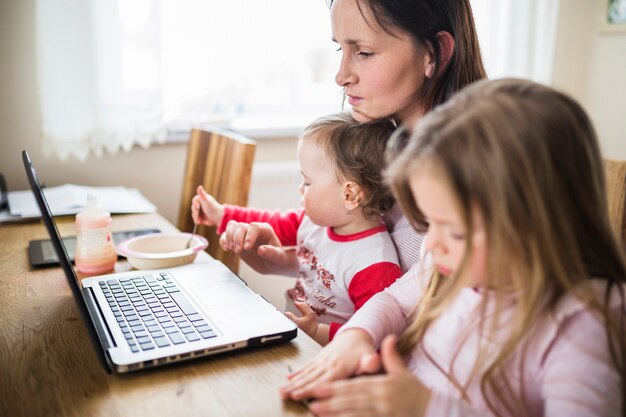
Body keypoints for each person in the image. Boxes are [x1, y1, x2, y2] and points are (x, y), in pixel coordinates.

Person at [280, 79, 626, 416]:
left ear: (533, 223)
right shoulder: (448, 259)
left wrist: (426, 407)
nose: (432, 243)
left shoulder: (583, 325)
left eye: (455, 230)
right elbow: (393, 302)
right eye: (431, 223)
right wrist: (356, 336)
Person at [217, 0, 487, 276]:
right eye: (340, 48)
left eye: (365, 53)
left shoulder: (471, 187)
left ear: (434, 53)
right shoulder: (380, 150)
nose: (340, 76)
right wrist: (279, 262)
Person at [192, 113, 403, 345]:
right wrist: (222, 215)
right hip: (294, 336)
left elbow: (375, 337)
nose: (301, 189)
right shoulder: (316, 222)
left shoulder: (374, 264)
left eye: (307, 182)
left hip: (325, 357)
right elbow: (273, 222)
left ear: (349, 194)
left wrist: (316, 331)